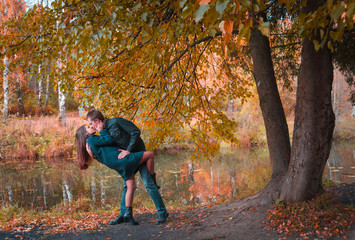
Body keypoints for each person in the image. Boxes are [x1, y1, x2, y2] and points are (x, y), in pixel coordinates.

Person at [86, 109, 169, 225]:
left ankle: (162, 212)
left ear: (97, 120)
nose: (91, 126)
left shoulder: (116, 122)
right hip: (128, 160)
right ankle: (123, 214)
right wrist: (93, 155)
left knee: (148, 184)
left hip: (138, 154)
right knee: (127, 186)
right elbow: (107, 153)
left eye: (91, 123)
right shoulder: (103, 132)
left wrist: (128, 150)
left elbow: (135, 132)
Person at [76, 124, 154, 225]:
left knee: (131, 186)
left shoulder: (90, 145)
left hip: (116, 164)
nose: (91, 126)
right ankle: (153, 179)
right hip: (122, 159)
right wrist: (101, 130)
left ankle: (128, 215)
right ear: (85, 133)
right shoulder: (91, 139)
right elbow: (109, 139)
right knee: (150, 154)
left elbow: (103, 155)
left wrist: (94, 156)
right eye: (88, 127)